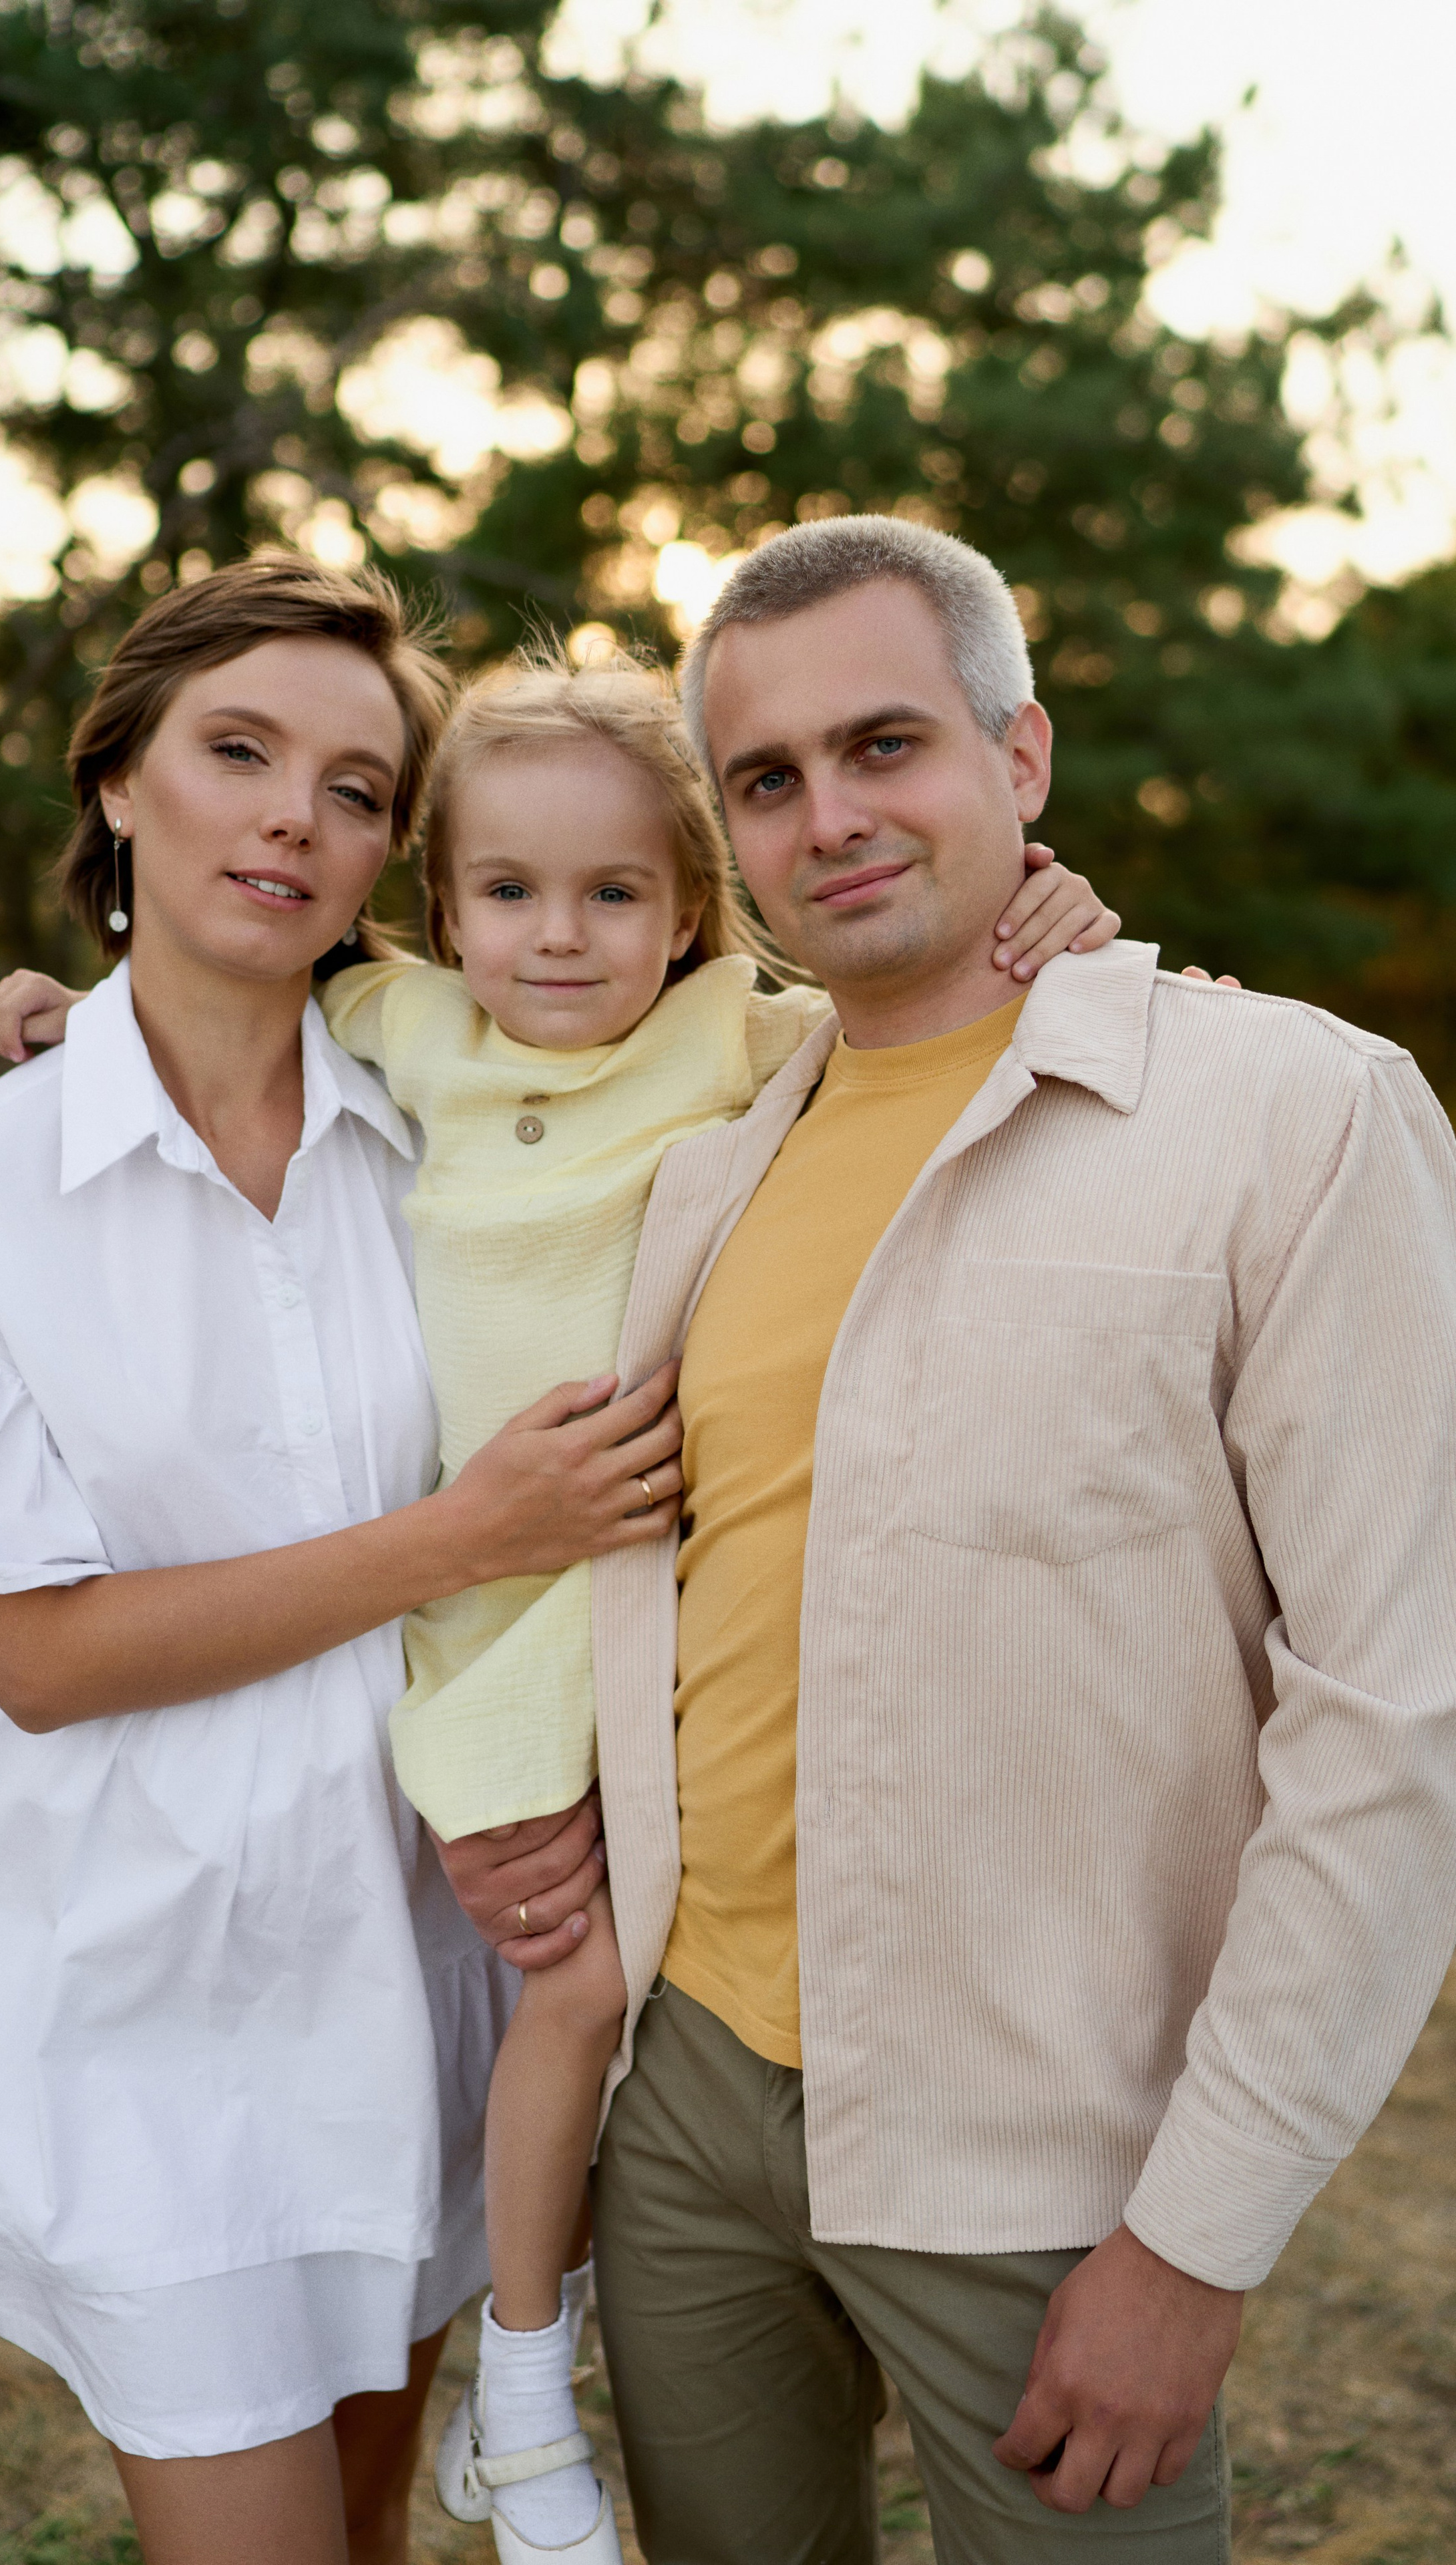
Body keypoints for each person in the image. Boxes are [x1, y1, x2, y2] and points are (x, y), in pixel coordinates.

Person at [0, 643, 1121, 2563]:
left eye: (615, 895)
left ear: (694, 912)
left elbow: (941, 995)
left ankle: (645, 2313)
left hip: (670, 1623)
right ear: (445, 914)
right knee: (574, 1982)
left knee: (677, 1995)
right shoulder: (410, 1032)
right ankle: (525, 2381)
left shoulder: (747, 1034)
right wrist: (49, 1008)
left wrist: (1064, 915)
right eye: (507, 893)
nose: (561, 939)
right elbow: (211, 991)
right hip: (500, 1634)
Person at [436, 514, 1456, 2564]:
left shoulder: (1287, 1116)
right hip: (686, 2106)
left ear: (1025, 757)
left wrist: (1200, 2240)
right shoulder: (706, 1152)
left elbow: (1400, 1719)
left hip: (1058, 2149)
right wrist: (74, 1025)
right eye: (770, 780)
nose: (834, 815)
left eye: (886, 743)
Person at [0, 555, 695, 2565]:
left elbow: (795, 1035)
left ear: (390, 860)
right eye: (238, 752)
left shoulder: (452, 1125)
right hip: (143, 1995)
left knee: (366, 2534)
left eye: (358, 792)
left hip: (426, 1961)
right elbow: (45, 1657)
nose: (293, 816)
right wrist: (466, 1531)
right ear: (117, 785)